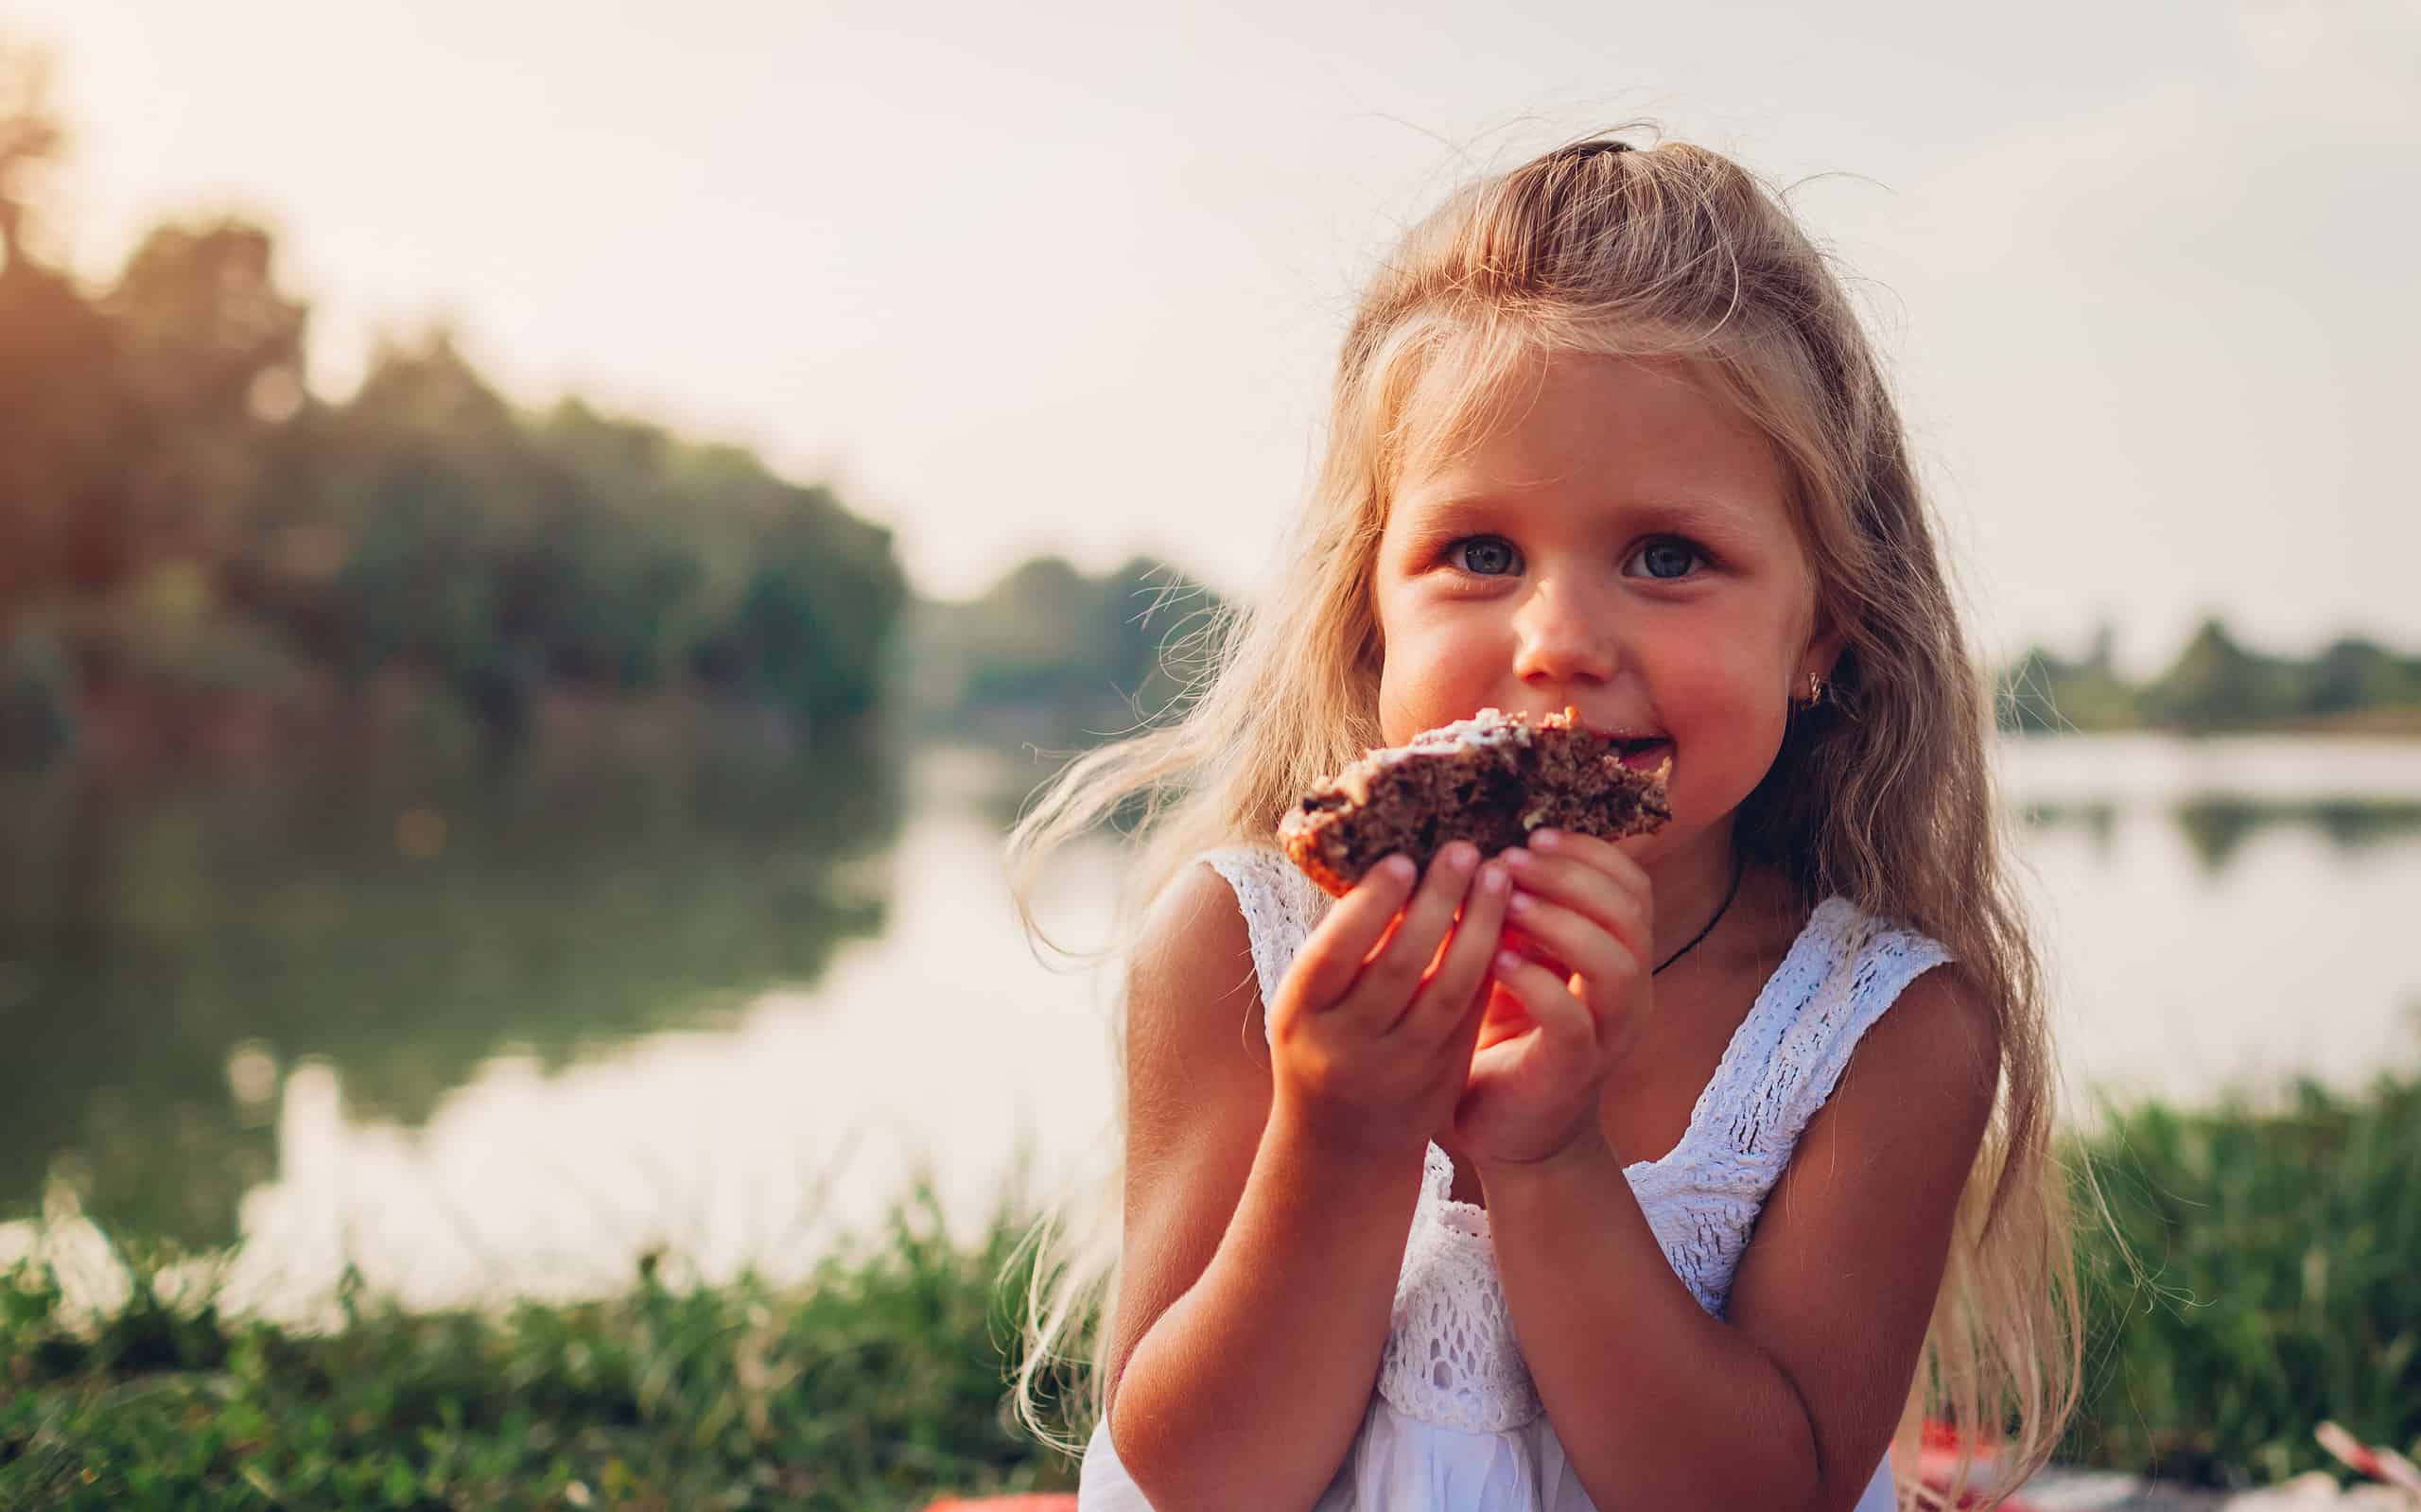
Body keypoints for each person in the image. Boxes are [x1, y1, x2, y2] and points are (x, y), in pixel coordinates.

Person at [1000, 132, 2082, 1511]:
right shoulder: (1238, 942)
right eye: (1481, 554)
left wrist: (1548, 1159)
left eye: (1668, 557)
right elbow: (1201, 1480)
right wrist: (1342, 1136)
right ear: (1365, 619)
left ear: (1823, 633)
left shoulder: (1881, 1031)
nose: (1560, 641)